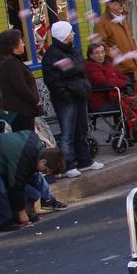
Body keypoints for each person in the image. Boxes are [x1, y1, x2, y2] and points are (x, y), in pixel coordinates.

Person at [41, 21, 103, 178]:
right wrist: (65, 94)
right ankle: (67, 164)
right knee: (68, 132)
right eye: (70, 32)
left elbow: (80, 69)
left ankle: (85, 160)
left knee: (82, 129)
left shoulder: (72, 51)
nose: (73, 34)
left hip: (80, 95)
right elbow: (54, 80)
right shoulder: (53, 55)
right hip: (66, 99)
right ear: (63, 36)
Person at [0, 130, 67, 231]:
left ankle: (17, 215)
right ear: (43, 161)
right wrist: (21, 212)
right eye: (45, 170)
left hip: (4, 160)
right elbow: (16, 185)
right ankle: (3, 221)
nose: (44, 172)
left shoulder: (35, 152)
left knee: (34, 194)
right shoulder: (23, 157)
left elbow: (21, 184)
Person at [0, 29, 42, 131]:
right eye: (20, 41)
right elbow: (21, 87)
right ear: (13, 47)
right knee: (26, 141)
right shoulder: (12, 64)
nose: (23, 44)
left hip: (17, 110)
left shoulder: (7, 62)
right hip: (21, 111)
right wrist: (35, 100)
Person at [94, 0, 137, 79]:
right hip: (117, 70)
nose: (122, 5)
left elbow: (130, 38)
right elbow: (100, 45)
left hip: (130, 66)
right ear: (109, 4)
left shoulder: (123, 20)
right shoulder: (101, 22)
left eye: (123, 2)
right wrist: (119, 58)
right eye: (119, 2)